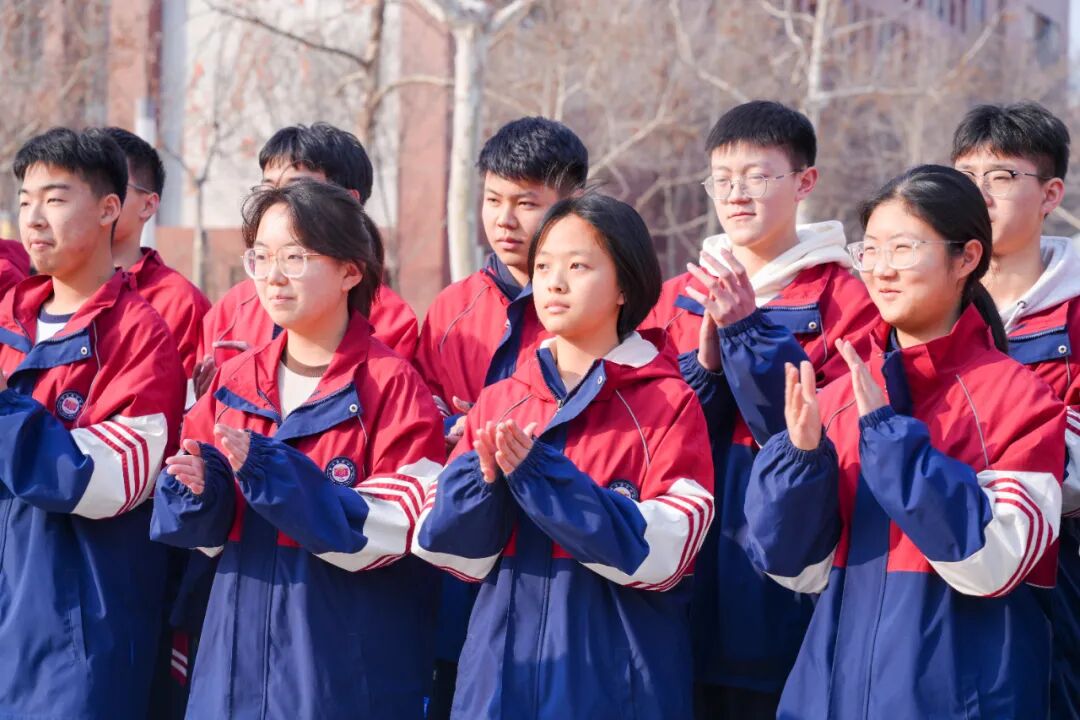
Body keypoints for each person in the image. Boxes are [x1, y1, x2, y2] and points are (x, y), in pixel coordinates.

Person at [745, 165, 1064, 718]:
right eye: (870, 250)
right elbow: (794, 569)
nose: (882, 269)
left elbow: (995, 565)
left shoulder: (1019, 398)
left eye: (904, 248)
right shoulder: (839, 395)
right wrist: (800, 462)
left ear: (966, 258)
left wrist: (890, 442)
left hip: (962, 700)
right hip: (830, 694)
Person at [413, 193, 714, 719]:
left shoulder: (667, 401)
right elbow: (446, 550)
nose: (553, 283)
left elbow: (669, 553)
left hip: (616, 689)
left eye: (578, 266)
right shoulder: (502, 399)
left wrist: (546, 481)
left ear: (625, 285)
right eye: (544, 266)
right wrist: (481, 486)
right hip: (499, 682)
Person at [151, 180, 443, 719]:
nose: (273, 276)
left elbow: (398, 530)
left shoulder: (392, 385)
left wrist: (274, 475)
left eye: (295, 257)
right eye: (261, 257)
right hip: (234, 664)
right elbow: (199, 535)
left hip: (338, 670)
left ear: (350, 271)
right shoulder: (234, 380)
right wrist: (200, 491)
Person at [643, 100, 878, 719]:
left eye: (757, 176)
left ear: (805, 181)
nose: (736, 194)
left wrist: (748, 334)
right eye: (722, 179)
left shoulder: (849, 300)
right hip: (681, 575)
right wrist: (703, 370)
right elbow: (648, 433)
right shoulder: (675, 297)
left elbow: (830, 439)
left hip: (783, 577)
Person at [0, 127, 186, 719]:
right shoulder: (8, 318)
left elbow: (109, 481)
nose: (34, 218)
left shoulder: (138, 336)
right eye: (25, 201)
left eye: (55, 199)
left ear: (110, 209)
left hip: (76, 644)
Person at [412, 115, 589, 716]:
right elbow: (423, 407)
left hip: (563, 554)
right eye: (493, 200)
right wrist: (450, 432)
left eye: (526, 203)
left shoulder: (597, 305)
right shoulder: (452, 308)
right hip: (465, 554)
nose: (505, 220)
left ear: (573, 199)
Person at [950, 101, 1078, 718]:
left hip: (1056, 574)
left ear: (1050, 193)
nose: (979, 194)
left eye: (1000, 176)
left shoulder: (1073, 312)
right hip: (931, 565)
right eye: (965, 176)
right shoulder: (922, 301)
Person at [192, 122, 418, 399]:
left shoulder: (393, 320)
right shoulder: (232, 308)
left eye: (296, 189)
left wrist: (269, 376)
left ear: (348, 202)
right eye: (268, 189)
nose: (278, 203)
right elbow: (198, 416)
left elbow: (381, 402)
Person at [104, 127, 210, 398]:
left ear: (148, 205)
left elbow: (185, 408)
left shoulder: (180, 303)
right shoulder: (41, 292)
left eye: (109, 184)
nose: (94, 198)